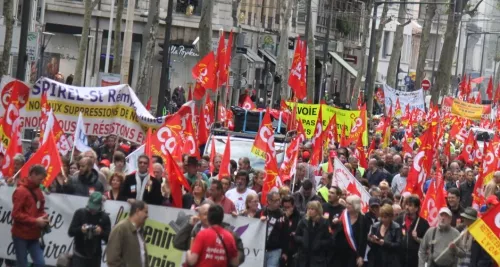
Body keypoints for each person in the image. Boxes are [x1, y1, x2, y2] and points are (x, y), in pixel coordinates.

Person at [172, 201, 245, 265]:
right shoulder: (195, 231)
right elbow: (177, 243)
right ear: (199, 215)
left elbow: (238, 256)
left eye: (209, 213)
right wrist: (189, 225)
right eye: (205, 214)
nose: (208, 216)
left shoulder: (228, 233)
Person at [11, 165, 49, 267]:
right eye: (40, 179)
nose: (41, 182)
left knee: (40, 263)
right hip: (20, 235)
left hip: (34, 234)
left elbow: (40, 209)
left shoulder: (38, 191)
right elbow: (16, 214)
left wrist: (44, 216)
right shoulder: (21, 191)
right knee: (22, 263)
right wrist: (35, 221)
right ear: (33, 174)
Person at [68, 192, 111, 266]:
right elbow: (70, 232)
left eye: (95, 208)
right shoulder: (80, 213)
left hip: (95, 256)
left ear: (100, 205)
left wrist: (101, 232)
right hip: (79, 254)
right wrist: (80, 229)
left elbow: (109, 239)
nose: (92, 210)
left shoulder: (104, 217)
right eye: (91, 207)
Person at [106, 200, 149, 267]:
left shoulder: (139, 231)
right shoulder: (121, 228)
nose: (147, 216)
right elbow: (112, 259)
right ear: (137, 211)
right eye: (145, 212)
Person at [333, 195, 370, 267]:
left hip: (353, 254)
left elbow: (363, 240)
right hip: (339, 253)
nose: (346, 205)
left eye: (349, 204)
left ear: (355, 205)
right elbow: (335, 231)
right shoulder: (343, 214)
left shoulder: (362, 220)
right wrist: (335, 223)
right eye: (346, 203)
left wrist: (360, 256)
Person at [394, 195, 430, 267]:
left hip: (415, 261)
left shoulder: (423, 224)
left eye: (410, 205)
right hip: (399, 260)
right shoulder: (398, 220)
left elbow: (428, 244)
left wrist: (417, 239)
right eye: (406, 204)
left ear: (416, 208)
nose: (407, 207)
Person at [256, 191, 289, 267]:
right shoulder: (260, 213)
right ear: (269, 201)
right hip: (260, 249)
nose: (278, 202)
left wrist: (285, 252)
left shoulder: (283, 216)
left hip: (275, 250)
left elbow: (286, 235)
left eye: (279, 200)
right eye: (276, 200)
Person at [294, 201, 331, 267]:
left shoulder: (324, 222)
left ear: (318, 210)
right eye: (308, 209)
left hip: (318, 257)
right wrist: (303, 240)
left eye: (312, 209)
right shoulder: (303, 221)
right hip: (303, 257)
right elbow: (296, 236)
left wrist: (319, 243)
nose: (309, 211)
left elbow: (329, 239)